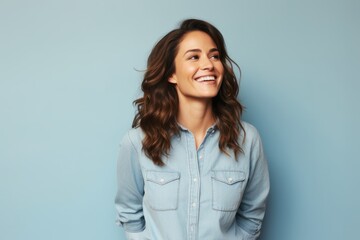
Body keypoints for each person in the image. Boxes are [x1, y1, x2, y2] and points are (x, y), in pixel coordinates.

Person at [115, 19, 270, 240]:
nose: (209, 65)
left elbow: (252, 216)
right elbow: (130, 214)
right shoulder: (137, 142)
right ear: (172, 74)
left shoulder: (247, 140)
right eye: (194, 57)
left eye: (214, 56)